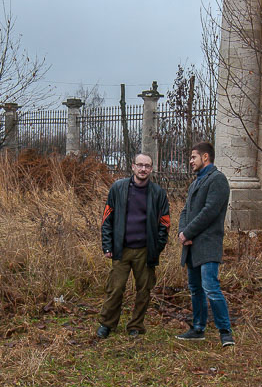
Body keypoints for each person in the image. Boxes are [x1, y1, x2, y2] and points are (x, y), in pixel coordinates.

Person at [96, 153, 171, 337]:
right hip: (121, 249)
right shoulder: (118, 188)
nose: (143, 169)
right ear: (133, 166)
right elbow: (107, 219)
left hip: (146, 251)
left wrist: (157, 247)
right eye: (140, 165)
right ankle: (107, 324)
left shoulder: (158, 193)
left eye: (147, 166)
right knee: (115, 288)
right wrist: (108, 245)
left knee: (144, 290)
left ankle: (136, 326)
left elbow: (165, 223)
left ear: (151, 169)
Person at [176, 141, 234, 347]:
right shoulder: (196, 183)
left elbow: (210, 211)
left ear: (205, 157)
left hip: (208, 244)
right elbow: (185, 211)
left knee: (210, 287)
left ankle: (225, 332)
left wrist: (188, 232)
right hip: (191, 245)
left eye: (193, 157)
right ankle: (198, 329)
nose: (191, 161)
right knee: (195, 289)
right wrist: (182, 233)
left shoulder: (217, 180)